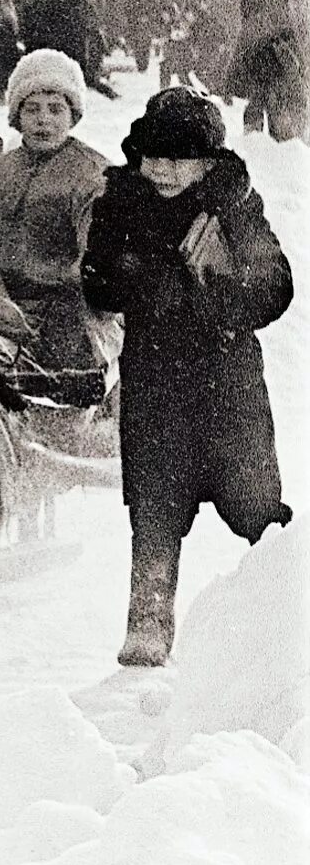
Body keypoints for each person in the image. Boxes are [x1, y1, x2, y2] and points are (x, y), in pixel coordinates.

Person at [81, 87, 294, 667]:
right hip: (155, 379)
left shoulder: (235, 205)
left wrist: (226, 275)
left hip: (229, 382)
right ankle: (148, 617)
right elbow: (97, 282)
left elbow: (277, 287)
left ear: (208, 163)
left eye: (183, 159)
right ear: (139, 156)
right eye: (156, 156)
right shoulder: (120, 203)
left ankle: (286, 610)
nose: (167, 170)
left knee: (255, 504)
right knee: (153, 508)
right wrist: (148, 274)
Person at [0, 49, 111, 404]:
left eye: (56, 110)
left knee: (62, 396)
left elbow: (96, 261)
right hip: (7, 306)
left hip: (71, 310)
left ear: (73, 116)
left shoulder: (91, 174)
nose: (43, 121)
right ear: (16, 116)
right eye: (32, 109)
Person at [231, 0, 305, 141]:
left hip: (279, 42)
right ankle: (261, 141)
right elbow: (255, 12)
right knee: (265, 93)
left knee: (273, 94)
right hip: (261, 45)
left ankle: (273, 140)